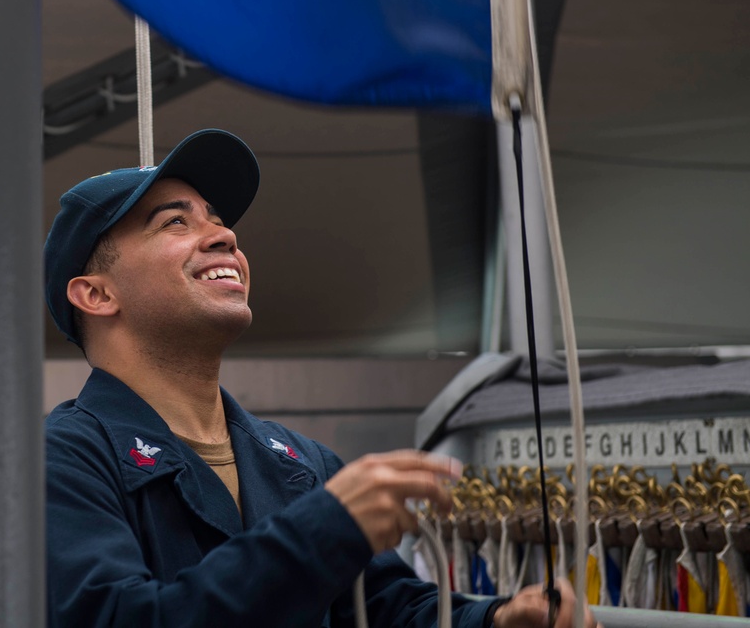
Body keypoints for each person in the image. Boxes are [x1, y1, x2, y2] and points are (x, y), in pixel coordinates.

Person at [44, 129, 599, 628]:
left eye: (217, 219)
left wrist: (497, 620)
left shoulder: (300, 462)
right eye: (175, 222)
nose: (225, 237)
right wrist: (322, 533)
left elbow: (390, 610)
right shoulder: (63, 461)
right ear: (96, 294)